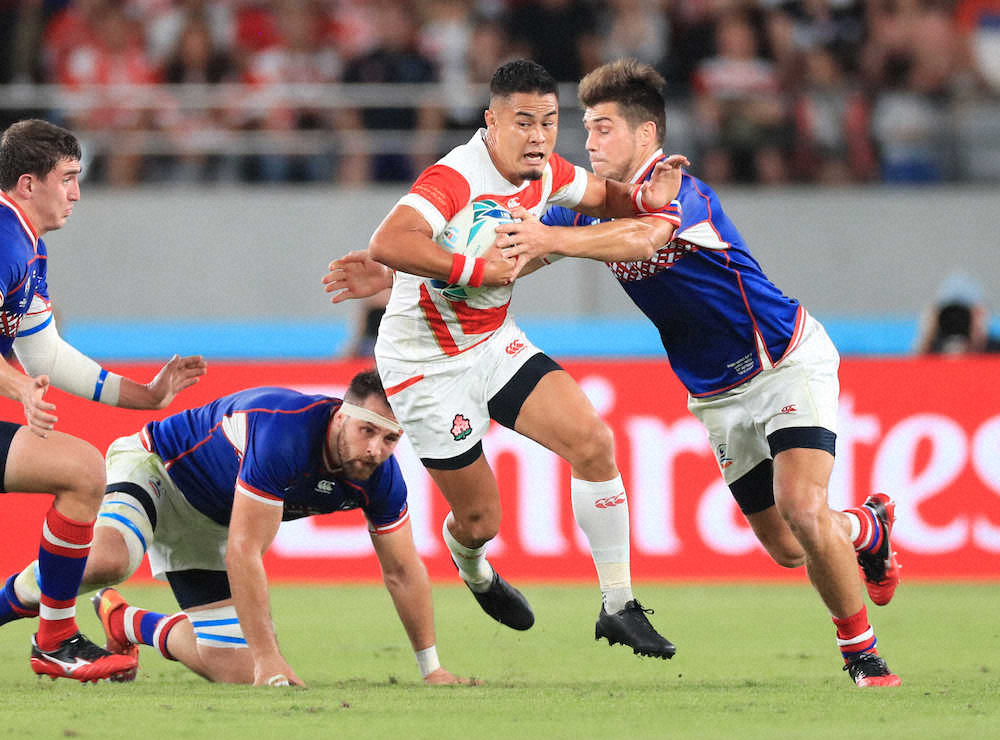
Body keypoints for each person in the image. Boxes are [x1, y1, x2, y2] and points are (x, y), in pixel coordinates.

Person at [328, 59, 903, 688]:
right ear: (493, 121)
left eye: (600, 128)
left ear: (646, 134)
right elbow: (517, 251)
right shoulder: (514, 184)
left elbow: (640, 239)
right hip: (708, 392)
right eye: (583, 128)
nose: (585, 142)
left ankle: (861, 658)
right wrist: (399, 272)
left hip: (781, 360)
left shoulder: (679, 190)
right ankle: (867, 529)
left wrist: (552, 239)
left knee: (794, 505)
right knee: (791, 546)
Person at [324, 59, 687, 661]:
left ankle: (619, 605)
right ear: (491, 122)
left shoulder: (546, 172)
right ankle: (472, 566)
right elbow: (389, 241)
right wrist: (477, 270)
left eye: (549, 121)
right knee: (480, 521)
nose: (539, 136)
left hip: (493, 342)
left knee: (593, 442)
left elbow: (603, 196)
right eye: (524, 122)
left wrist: (646, 197)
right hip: (425, 367)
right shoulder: (455, 176)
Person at [2, 370, 474, 687]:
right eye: (367, 431)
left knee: (234, 669)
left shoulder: (382, 478)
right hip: (158, 469)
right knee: (111, 560)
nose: (375, 449)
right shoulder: (284, 432)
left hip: (214, 520)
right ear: (341, 415)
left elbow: (402, 571)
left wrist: (431, 668)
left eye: (390, 438)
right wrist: (270, 658)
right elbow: (244, 551)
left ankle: (124, 620)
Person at [0, 118, 207, 682]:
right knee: (83, 471)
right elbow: (29, 370)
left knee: (82, 472)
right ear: (28, 183)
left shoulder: (27, 247)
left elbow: (45, 353)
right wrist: (17, 387)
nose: (76, 193)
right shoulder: (3, 241)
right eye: (67, 178)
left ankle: (55, 640)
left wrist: (146, 394)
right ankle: (54, 639)